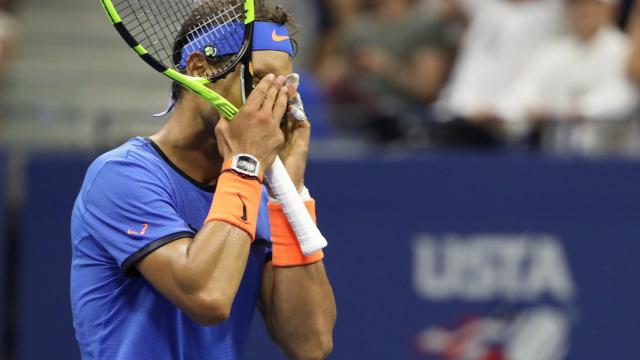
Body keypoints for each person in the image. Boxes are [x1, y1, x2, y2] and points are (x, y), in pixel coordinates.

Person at [70, 1, 336, 359]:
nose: (273, 103)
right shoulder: (120, 176)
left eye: (283, 85)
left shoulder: (253, 187)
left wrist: (290, 191)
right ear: (197, 68)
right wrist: (246, 165)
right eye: (257, 81)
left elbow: (310, 343)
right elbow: (207, 296)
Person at [500, 0, 639, 152]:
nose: (583, 15)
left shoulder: (624, 49)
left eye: (590, 9)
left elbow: (623, 98)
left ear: (607, 12)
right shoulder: (554, 52)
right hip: (557, 152)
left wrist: (575, 109)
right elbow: (524, 90)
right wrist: (531, 108)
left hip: (612, 154)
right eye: (577, 9)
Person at [317, 0, 460, 142]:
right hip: (353, 121)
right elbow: (322, 79)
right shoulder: (355, 28)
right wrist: (348, 67)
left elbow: (427, 88)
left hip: (408, 122)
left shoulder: (425, 24)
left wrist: (387, 68)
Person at [436, 0, 563, 145]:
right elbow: (471, 73)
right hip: (473, 126)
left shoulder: (552, 14)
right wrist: (468, 106)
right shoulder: (487, 12)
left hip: (526, 128)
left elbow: (534, 77)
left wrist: (504, 111)